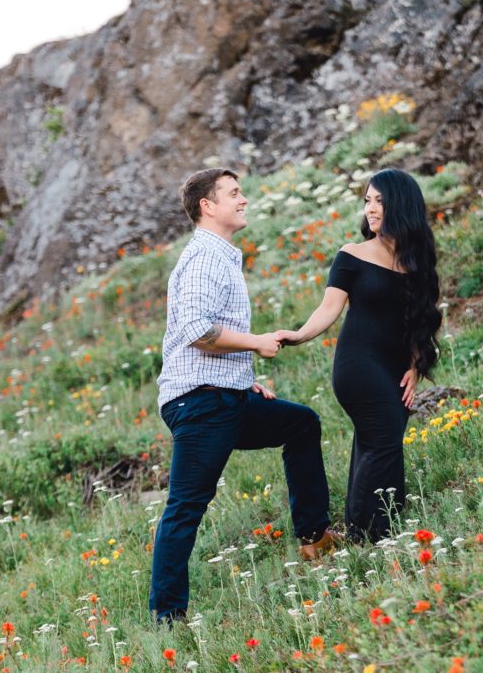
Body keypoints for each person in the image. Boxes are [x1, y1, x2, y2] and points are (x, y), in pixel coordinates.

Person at [150, 168, 341, 625]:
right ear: (207, 206)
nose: (244, 200)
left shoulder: (221, 256)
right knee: (186, 508)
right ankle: (167, 617)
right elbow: (197, 331)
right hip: (200, 404)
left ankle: (315, 538)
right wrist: (256, 342)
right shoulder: (203, 259)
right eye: (234, 194)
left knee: (300, 423)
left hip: (225, 395)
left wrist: (242, 377)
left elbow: (204, 333)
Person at [276, 168, 442, 543]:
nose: (370, 208)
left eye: (379, 200)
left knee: (377, 439)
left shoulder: (416, 261)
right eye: (367, 200)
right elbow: (329, 308)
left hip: (396, 368)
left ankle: (373, 525)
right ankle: (369, 535)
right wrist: (300, 335)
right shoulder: (351, 255)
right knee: (383, 439)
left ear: (400, 204)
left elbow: (421, 318)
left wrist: (416, 366)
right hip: (358, 365)